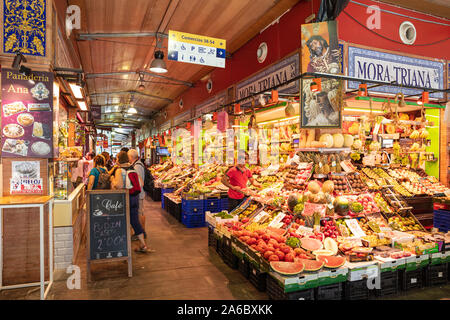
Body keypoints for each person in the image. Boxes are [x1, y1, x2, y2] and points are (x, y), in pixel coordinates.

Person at [111, 151, 151, 253]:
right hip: (135, 198)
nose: (115, 160)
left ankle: (124, 249)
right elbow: (141, 183)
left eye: (116, 158)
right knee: (134, 221)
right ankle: (143, 244)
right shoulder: (132, 168)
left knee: (124, 222)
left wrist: (112, 180)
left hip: (125, 198)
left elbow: (119, 185)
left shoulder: (120, 170)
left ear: (119, 159)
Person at [128, 149, 148, 241]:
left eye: (128, 156)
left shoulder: (137, 166)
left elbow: (140, 182)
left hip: (139, 194)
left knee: (140, 213)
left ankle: (142, 232)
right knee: (139, 213)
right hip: (138, 193)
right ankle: (140, 232)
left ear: (131, 157)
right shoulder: (135, 165)